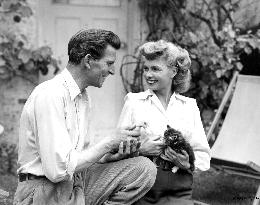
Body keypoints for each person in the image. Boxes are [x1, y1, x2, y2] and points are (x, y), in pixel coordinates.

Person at [13, 29, 157, 205]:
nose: (112, 71)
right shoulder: (50, 94)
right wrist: (109, 142)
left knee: (143, 168)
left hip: (74, 184)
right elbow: (57, 171)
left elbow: (80, 156)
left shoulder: (84, 98)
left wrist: (109, 156)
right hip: (43, 191)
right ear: (88, 60)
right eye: (109, 63)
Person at [118, 40, 211, 205]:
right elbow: (116, 150)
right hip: (140, 190)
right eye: (146, 68)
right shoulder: (134, 102)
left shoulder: (189, 106)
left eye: (155, 69)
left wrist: (188, 162)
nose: (148, 74)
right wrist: (141, 150)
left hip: (179, 191)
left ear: (173, 71)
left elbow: (203, 156)